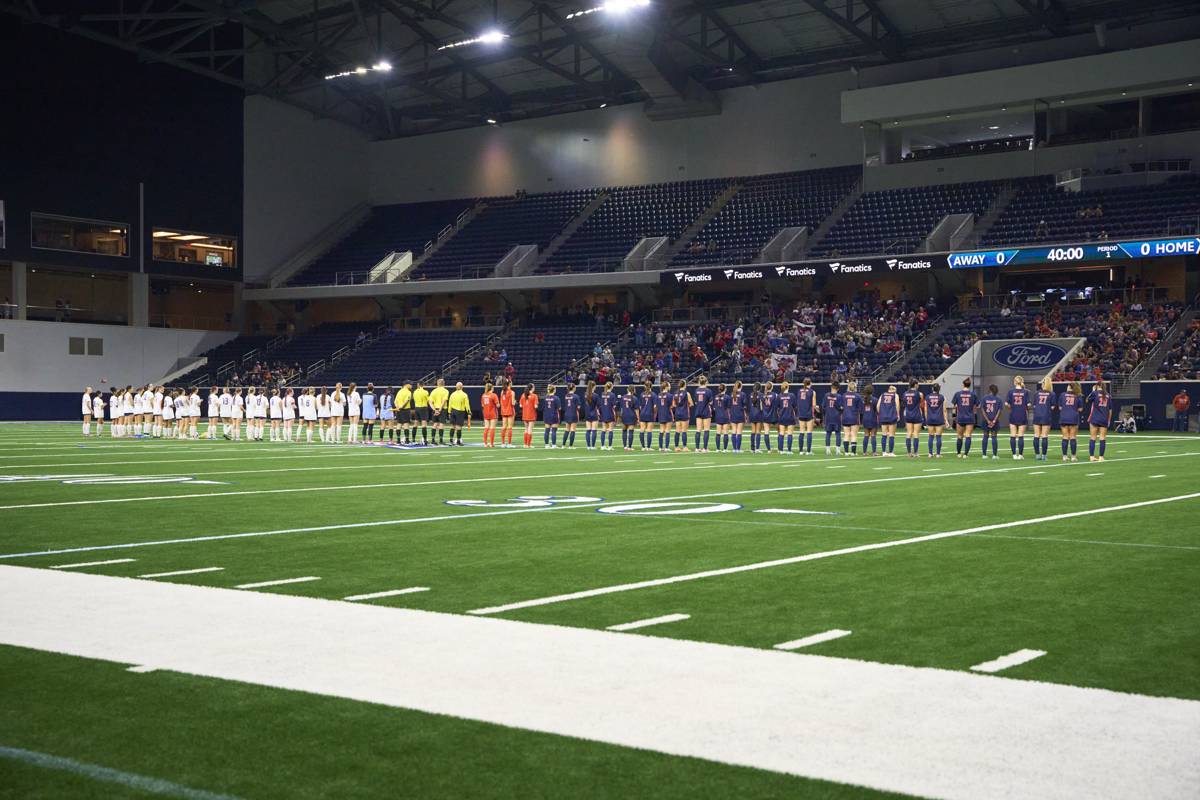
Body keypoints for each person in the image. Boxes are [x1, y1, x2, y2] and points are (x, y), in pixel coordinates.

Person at [1005, 375, 1032, 460]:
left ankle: (1014, 455)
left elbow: (1006, 403)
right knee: (1021, 436)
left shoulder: (1010, 391)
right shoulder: (1026, 391)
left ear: (1014, 382)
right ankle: (1020, 455)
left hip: (1013, 414)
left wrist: (1011, 407)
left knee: (1013, 435)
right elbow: (1029, 404)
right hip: (1022, 414)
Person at [1086, 381, 1113, 461]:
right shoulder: (1108, 395)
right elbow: (1110, 410)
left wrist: (1093, 390)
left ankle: (1091, 456)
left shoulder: (1095, 393)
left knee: (1093, 437)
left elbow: (1087, 400)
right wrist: (1109, 420)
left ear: (1098, 386)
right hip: (1104, 418)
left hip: (1095, 418)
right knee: (1102, 438)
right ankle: (1101, 457)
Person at [952, 378, 978, 458]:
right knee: (968, 435)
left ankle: (959, 453)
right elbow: (978, 405)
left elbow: (954, 405)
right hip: (970, 417)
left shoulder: (957, 394)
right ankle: (966, 454)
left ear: (963, 384)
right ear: (969, 385)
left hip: (960, 417)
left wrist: (954, 416)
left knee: (959, 436)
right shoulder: (973, 394)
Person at [1031, 377, 1056, 461]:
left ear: (1043, 384)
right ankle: (1044, 456)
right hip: (1046, 415)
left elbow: (1034, 406)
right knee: (1044, 436)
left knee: (1036, 435)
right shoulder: (1052, 394)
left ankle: (1037, 454)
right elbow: (1052, 407)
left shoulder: (1037, 393)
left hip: (1037, 415)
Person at [1058, 381, 1081, 461]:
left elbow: (1060, 407)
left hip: (1064, 417)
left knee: (1065, 437)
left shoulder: (1062, 395)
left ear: (1069, 387)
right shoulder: (1077, 396)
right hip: (1073, 417)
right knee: (1073, 437)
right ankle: (1073, 456)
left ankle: (1064, 456)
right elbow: (1080, 408)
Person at [877, 383, 901, 457]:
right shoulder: (895, 395)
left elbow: (878, 406)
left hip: (883, 416)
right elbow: (897, 405)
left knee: (884, 434)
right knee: (891, 435)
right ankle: (891, 452)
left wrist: (880, 413)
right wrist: (898, 414)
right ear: (894, 391)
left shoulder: (882, 395)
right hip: (891, 416)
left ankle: (884, 452)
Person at [840, 380, 863, 455]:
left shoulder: (843, 395)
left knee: (846, 434)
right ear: (855, 387)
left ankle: (846, 452)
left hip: (845, 416)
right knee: (853, 435)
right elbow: (861, 409)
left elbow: (841, 407)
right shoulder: (858, 396)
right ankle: (853, 452)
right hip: (854, 416)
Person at [981, 384, 1002, 460]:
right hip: (994, 420)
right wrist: (994, 421)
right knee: (994, 436)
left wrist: (987, 420)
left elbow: (982, 410)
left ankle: (984, 454)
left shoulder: (984, 398)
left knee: (985, 436)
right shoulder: (998, 399)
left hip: (986, 420)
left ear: (989, 389)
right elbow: (999, 411)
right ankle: (994, 455)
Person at [925, 383, 947, 457]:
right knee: (938, 436)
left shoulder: (927, 397)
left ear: (932, 389)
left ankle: (930, 453)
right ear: (939, 389)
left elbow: (925, 409)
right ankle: (938, 454)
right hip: (939, 418)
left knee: (931, 436)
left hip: (930, 418)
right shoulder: (942, 397)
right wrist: (946, 420)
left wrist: (926, 418)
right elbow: (944, 410)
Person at [692, 376, 713, 452]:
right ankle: (705, 448)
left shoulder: (696, 390)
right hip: (706, 411)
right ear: (706, 382)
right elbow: (711, 402)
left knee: (698, 430)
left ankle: (697, 448)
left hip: (698, 411)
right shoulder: (708, 391)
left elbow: (696, 402)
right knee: (706, 430)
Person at [795, 378, 815, 456]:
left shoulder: (799, 391)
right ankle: (808, 451)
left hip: (801, 413)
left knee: (801, 431)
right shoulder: (812, 392)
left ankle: (800, 451)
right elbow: (813, 404)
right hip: (809, 413)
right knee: (809, 432)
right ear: (810, 383)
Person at [776, 380, 797, 454]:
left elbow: (777, 408)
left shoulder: (779, 396)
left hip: (782, 416)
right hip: (790, 416)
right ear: (788, 387)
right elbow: (795, 406)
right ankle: (789, 450)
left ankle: (781, 450)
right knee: (790, 434)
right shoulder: (792, 395)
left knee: (781, 433)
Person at [823, 383, 843, 456]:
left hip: (828, 416)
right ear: (838, 389)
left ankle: (828, 450)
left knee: (828, 433)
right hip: (836, 417)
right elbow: (840, 407)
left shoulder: (826, 395)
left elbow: (823, 406)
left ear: (831, 387)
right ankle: (837, 450)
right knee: (838, 433)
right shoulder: (839, 396)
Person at [671, 379, 692, 452]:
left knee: (677, 430)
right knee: (684, 431)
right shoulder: (687, 393)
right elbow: (691, 403)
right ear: (685, 385)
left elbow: (673, 404)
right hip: (684, 412)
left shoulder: (675, 393)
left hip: (677, 412)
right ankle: (685, 447)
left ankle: (676, 447)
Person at [448, 381, 471, 446]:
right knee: (459, 427)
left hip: (452, 411)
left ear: (456, 387)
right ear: (462, 387)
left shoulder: (452, 394)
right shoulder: (464, 394)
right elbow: (467, 405)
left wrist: (449, 412)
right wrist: (469, 413)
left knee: (452, 426)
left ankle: (451, 440)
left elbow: (450, 404)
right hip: (460, 411)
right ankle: (458, 441)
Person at [429, 379, 449, 445]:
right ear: (444, 383)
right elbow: (444, 401)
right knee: (441, 424)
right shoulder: (446, 391)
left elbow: (430, 402)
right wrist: (440, 410)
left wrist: (435, 410)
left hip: (435, 408)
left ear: (437, 384)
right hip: (442, 409)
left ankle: (433, 440)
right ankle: (440, 440)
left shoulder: (433, 391)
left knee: (435, 424)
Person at [637, 381, 656, 451]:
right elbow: (655, 406)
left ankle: (643, 447)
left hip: (642, 413)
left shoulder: (642, 394)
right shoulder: (653, 395)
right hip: (650, 413)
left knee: (642, 430)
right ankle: (648, 447)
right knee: (649, 430)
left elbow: (640, 406)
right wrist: (655, 413)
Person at [599, 381, 618, 451]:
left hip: (604, 413)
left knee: (604, 429)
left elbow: (601, 405)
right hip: (610, 413)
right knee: (610, 429)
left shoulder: (602, 394)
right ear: (612, 387)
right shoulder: (612, 395)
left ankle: (602, 446)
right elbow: (614, 406)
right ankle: (610, 446)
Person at [619, 384, 638, 451]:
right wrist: (638, 418)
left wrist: (620, 416)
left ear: (628, 389)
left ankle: (625, 446)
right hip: (631, 415)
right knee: (631, 431)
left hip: (624, 414)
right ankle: (629, 447)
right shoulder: (634, 398)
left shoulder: (623, 397)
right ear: (633, 390)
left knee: (624, 430)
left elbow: (621, 408)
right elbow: (636, 409)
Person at [712, 383, 730, 453]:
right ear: (725, 389)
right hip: (725, 415)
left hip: (718, 415)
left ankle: (718, 449)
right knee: (725, 433)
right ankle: (725, 449)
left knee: (718, 433)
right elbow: (728, 407)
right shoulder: (727, 397)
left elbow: (714, 407)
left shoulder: (716, 396)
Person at [655, 382, 673, 451]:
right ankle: (666, 447)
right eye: (669, 385)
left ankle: (660, 447)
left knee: (661, 430)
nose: (670, 387)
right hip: (667, 413)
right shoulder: (670, 395)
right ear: (666, 387)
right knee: (667, 431)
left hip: (661, 414)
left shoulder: (658, 395)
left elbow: (656, 406)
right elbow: (672, 405)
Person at [520, 383, 539, 448]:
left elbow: (520, 405)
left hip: (525, 414)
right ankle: (528, 444)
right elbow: (536, 406)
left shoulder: (523, 395)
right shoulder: (534, 396)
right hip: (531, 414)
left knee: (526, 429)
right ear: (532, 388)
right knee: (530, 429)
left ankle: (525, 444)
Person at [860, 385, 878, 456]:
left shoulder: (862, 400)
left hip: (865, 418)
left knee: (866, 435)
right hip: (872, 418)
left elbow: (861, 410)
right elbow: (877, 410)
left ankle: (864, 452)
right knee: (873, 435)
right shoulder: (875, 400)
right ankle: (874, 452)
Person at [481, 381, 499, 448]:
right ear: (491, 388)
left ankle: (485, 443)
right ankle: (491, 443)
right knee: (492, 428)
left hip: (486, 413)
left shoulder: (483, 395)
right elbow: (497, 405)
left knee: (486, 428)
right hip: (492, 413)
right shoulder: (494, 395)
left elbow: (483, 405)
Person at [498, 380, 516, 448]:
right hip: (510, 410)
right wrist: (515, 401)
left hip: (503, 411)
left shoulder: (502, 392)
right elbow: (513, 403)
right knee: (510, 427)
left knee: (504, 427)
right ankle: (509, 443)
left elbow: (501, 402)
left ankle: (503, 443)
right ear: (509, 384)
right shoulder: (512, 392)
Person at [749, 382, 765, 453]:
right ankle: (757, 448)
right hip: (758, 414)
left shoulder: (751, 394)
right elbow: (762, 407)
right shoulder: (761, 395)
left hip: (752, 413)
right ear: (760, 388)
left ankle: (752, 448)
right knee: (758, 431)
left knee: (753, 431)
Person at [413, 380, 431, 445]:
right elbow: (429, 401)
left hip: (417, 408)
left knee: (415, 423)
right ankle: (425, 440)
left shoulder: (414, 392)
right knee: (424, 424)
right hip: (423, 408)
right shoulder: (425, 392)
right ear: (423, 385)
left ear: (418, 385)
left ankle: (413, 439)